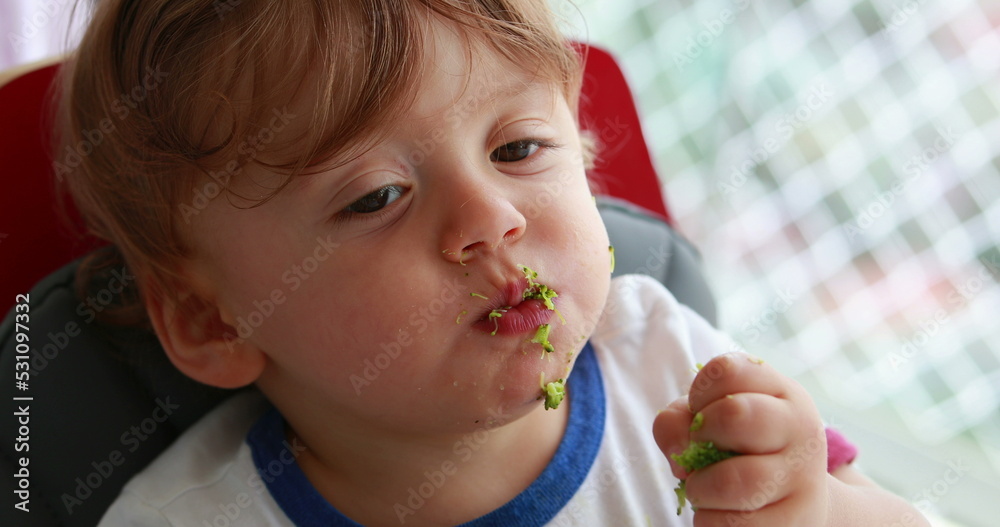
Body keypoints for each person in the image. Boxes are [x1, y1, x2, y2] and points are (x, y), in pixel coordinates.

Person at [58, 1, 930, 525]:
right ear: (211, 318)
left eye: (517, 147)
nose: (490, 218)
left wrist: (811, 506)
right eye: (376, 196)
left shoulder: (671, 363)